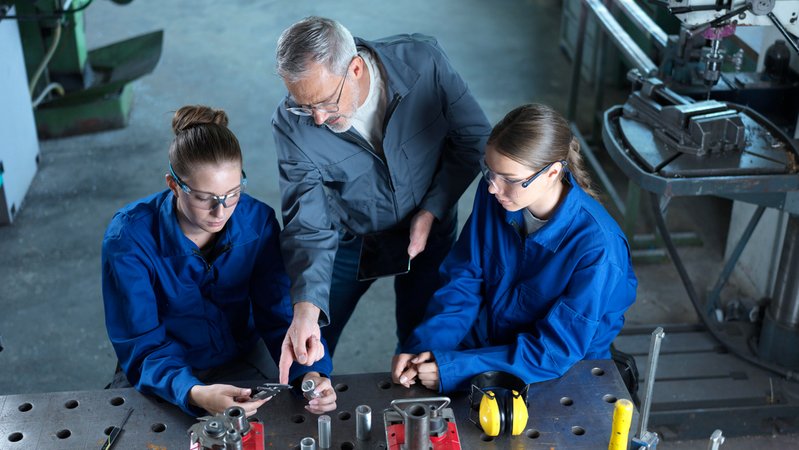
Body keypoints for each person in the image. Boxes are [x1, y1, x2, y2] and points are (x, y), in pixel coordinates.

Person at [271, 16, 491, 382]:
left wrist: (433, 209)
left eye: (325, 102)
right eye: (304, 106)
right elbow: (307, 222)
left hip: (429, 229)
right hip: (350, 239)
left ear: (355, 68)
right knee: (312, 343)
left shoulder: (423, 64)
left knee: (420, 346)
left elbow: (473, 139)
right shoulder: (292, 124)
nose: (319, 119)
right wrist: (306, 308)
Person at [102, 105, 336, 416]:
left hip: (239, 354)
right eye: (204, 197)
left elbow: (279, 313)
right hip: (160, 366)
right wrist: (194, 393)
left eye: (233, 193)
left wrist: (311, 374)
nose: (221, 211)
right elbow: (142, 344)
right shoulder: (129, 239)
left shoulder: (257, 222)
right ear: (173, 185)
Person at [391, 103, 637, 392]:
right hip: (490, 347)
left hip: (562, 374)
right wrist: (429, 349)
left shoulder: (598, 250)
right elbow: (464, 279)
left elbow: (555, 351)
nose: (494, 188)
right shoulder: (498, 196)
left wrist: (454, 369)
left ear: (552, 172)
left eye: (509, 180)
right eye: (490, 172)